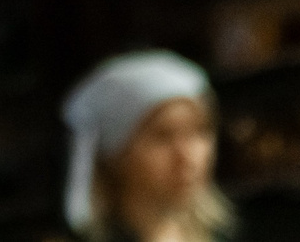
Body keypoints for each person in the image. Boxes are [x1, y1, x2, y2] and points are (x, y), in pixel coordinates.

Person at [62, 53, 229, 242]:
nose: (187, 156)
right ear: (115, 153)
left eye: (200, 131)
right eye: (163, 136)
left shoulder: (228, 234)